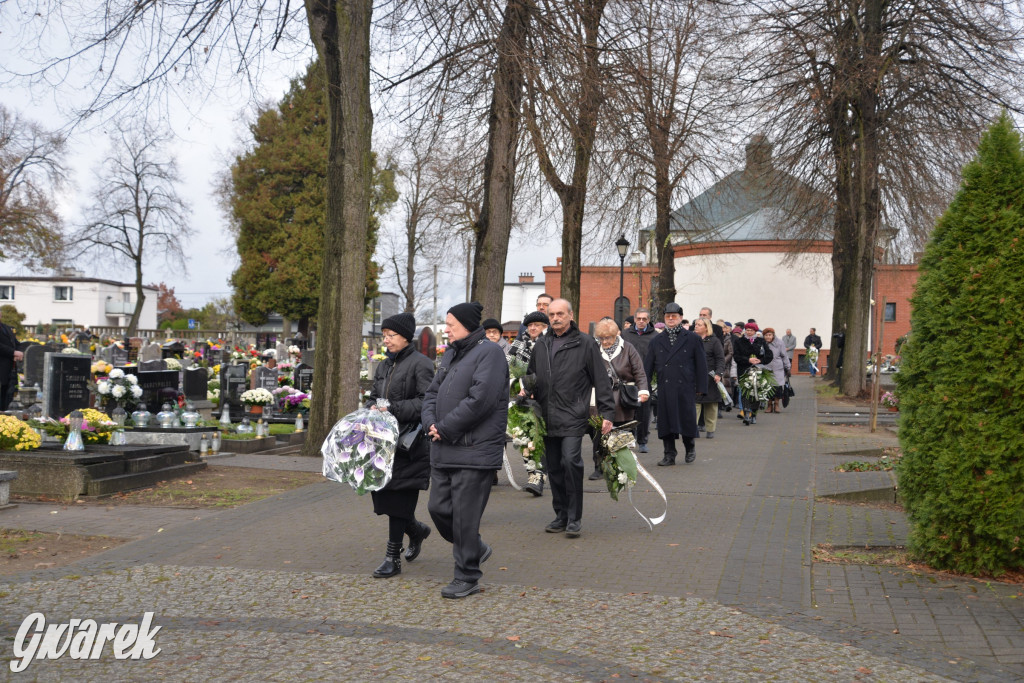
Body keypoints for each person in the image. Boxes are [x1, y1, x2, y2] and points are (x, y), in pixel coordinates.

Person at [422, 302, 509, 599]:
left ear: (468, 326)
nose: (446, 329)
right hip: (443, 447)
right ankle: (477, 547)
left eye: (451, 324)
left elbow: (480, 400)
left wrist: (444, 427)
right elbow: (432, 393)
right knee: (438, 509)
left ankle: (467, 576)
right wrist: (431, 423)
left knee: (464, 517)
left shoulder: (491, 353)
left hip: (474, 450)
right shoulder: (451, 353)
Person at [526, 298, 614, 538]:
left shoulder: (585, 343)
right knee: (553, 467)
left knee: (570, 462)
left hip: (574, 415)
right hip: (546, 416)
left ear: (571, 315)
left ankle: (574, 518)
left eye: (560, 314)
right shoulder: (542, 343)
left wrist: (607, 414)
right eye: (552, 314)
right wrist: (524, 389)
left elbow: (601, 380)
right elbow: (531, 375)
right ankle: (561, 515)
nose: (555, 318)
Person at [365, 313, 435, 579]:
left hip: (410, 445)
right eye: (384, 335)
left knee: (399, 501)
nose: (386, 340)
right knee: (383, 501)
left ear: (406, 337)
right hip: (383, 444)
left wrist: (392, 408)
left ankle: (392, 558)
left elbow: (426, 402)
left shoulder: (422, 364)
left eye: (391, 335)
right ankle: (417, 530)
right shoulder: (384, 365)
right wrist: (370, 409)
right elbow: (374, 396)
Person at [643, 303, 708, 466]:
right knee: (666, 422)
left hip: (685, 386)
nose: (671, 319)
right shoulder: (656, 341)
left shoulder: (693, 339)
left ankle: (690, 447)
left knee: (686, 420)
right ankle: (669, 454)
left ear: (680, 318)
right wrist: (644, 387)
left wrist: (701, 388)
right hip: (665, 387)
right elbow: (648, 367)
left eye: (674, 316)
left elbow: (701, 365)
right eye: (668, 316)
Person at [588, 318, 649, 480]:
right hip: (600, 398)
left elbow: (639, 372)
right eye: (602, 338)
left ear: (616, 335)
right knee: (598, 434)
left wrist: (643, 391)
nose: (605, 341)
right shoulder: (594, 349)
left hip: (622, 398)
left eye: (608, 337)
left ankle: (622, 467)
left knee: (622, 433)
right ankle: (599, 467)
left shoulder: (628, 348)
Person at [506, 310, 549, 496]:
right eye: (530, 325)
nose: (532, 328)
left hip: (548, 398)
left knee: (547, 439)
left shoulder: (549, 343)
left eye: (537, 325)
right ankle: (535, 476)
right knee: (528, 435)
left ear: (545, 327)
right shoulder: (519, 343)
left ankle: (546, 472)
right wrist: (517, 384)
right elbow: (507, 365)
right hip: (524, 400)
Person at [622, 308, 657, 452]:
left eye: (644, 319)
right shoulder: (625, 335)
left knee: (644, 411)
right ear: (634, 319)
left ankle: (643, 440)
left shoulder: (654, 336)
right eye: (639, 318)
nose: (641, 321)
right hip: (628, 378)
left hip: (646, 378)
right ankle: (629, 438)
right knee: (628, 409)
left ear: (648, 320)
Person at [734, 322, 774, 425]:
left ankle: (754, 414)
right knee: (745, 392)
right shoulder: (739, 341)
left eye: (751, 330)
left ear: (755, 331)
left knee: (756, 393)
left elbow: (769, 355)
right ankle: (746, 414)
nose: (749, 332)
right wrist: (748, 360)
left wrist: (760, 361)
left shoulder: (760, 341)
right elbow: (736, 356)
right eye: (747, 330)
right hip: (744, 369)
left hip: (757, 370)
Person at [693, 318, 724, 439]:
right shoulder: (691, 339)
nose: (695, 326)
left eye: (699, 325)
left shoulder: (714, 341)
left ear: (706, 327)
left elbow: (720, 358)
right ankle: (692, 428)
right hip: (694, 377)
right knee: (694, 403)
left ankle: (710, 430)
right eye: (695, 324)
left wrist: (719, 373)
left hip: (710, 377)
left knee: (711, 404)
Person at [761, 327, 791, 413]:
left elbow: (784, 356)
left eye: (770, 335)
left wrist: (788, 367)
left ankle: (777, 404)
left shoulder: (779, 343)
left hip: (778, 368)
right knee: (767, 387)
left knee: (777, 387)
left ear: (773, 335)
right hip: (766, 367)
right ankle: (769, 405)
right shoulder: (762, 343)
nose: (768, 337)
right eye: (766, 335)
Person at [1, 321, 23, 411]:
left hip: (9, 369)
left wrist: (19, 352)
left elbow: (16, 343)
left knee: (6, 396)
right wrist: (13, 352)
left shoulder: (5, 327)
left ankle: (4, 418)